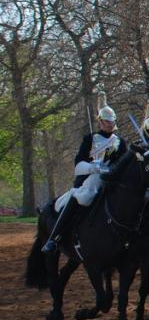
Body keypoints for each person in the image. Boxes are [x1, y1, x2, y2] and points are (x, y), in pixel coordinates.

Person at [42, 92, 127, 253]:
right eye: (107, 121)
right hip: (91, 179)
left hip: (111, 178)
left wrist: (113, 170)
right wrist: (92, 167)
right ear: (100, 121)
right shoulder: (90, 139)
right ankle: (55, 237)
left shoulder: (120, 142)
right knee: (79, 196)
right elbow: (78, 163)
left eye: (112, 121)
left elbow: (123, 162)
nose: (110, 124)